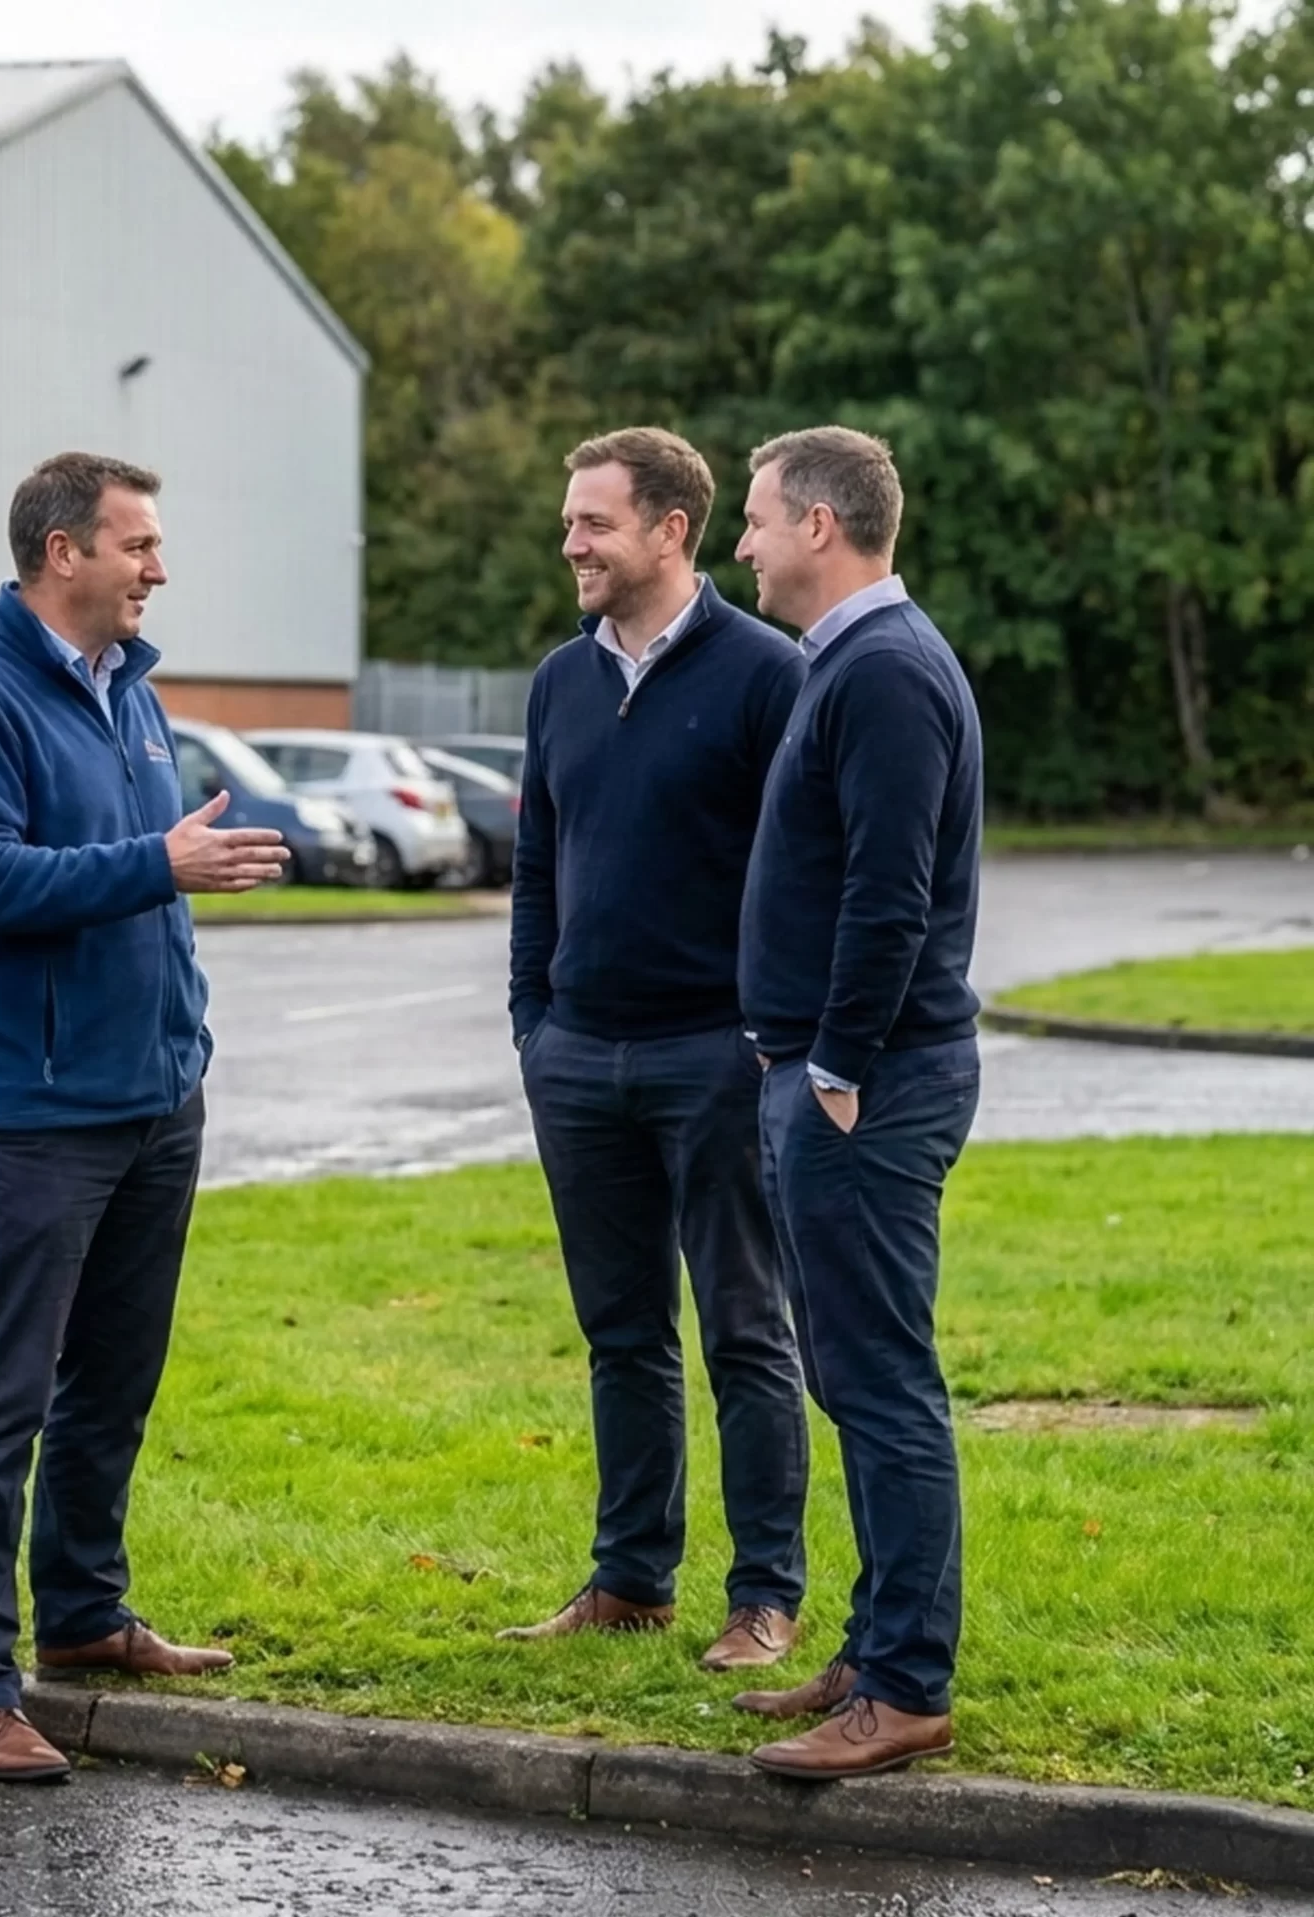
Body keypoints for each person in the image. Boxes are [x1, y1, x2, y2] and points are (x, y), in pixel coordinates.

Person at [0, 451, 290, 1783]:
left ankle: (81, 1620)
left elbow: (126, 878)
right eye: (138, 545)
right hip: (32, 1112)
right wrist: (161, 861)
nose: (158, 568)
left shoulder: (133, 688)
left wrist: (179, 963)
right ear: (61, 552)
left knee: (113, 1382)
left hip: (152, 1093)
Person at [502, 428, 812, 1673]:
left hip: (714, 1060)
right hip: (579, 1060)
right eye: (570, 521)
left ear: (671, 531)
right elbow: (536, 868)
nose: (570, 542)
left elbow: (801, 873)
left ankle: (763, 1597)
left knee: (746, 1331)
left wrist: (761, 1040)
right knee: (621, 1332)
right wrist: (534, 1024)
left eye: (593, 522)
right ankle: (631, 1578)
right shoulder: (557, 681)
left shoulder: (767, 675)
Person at [730, 426, 984, 1779]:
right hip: (833, 1080)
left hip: (865, 1090)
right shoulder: (856, 663)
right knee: (852, 1374)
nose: (745, 544)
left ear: (821, 525)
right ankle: (874, 1647)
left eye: (760, 519)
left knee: (882, 1385)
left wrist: (832, 1066)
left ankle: (906, 1685)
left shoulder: (883, 673)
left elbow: (891, 894)